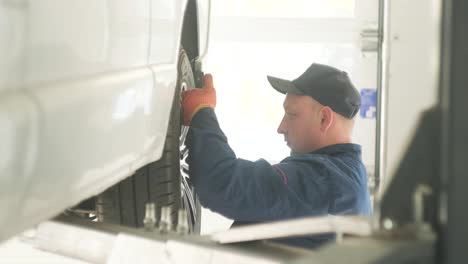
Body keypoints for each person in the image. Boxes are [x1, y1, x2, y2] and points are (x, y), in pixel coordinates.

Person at [181, 63, 372, 249]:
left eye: (291, 114)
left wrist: (202, 112)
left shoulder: (325, 180)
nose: (281, 128)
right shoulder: (346, 178)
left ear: (324, 118)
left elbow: (220, 181)